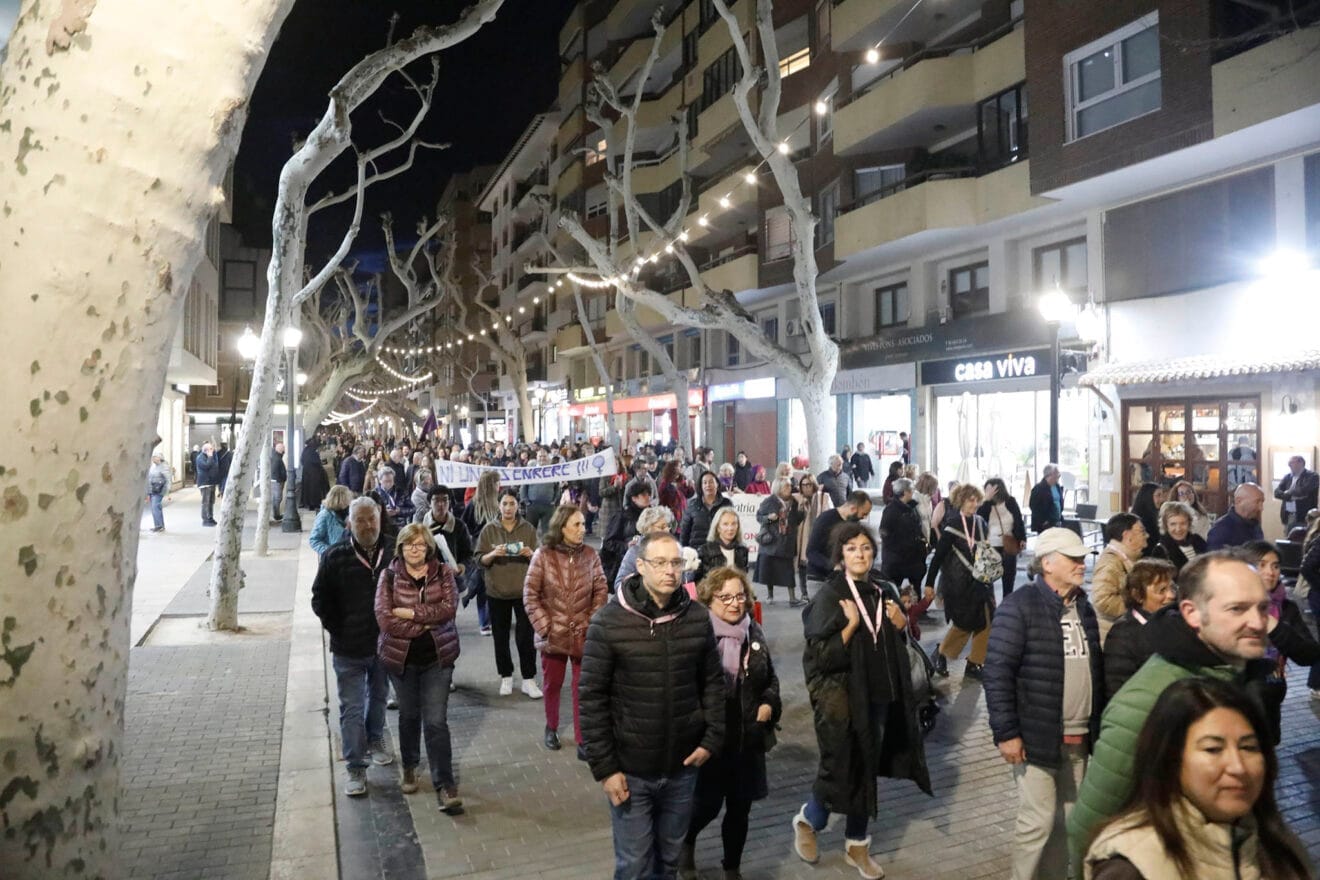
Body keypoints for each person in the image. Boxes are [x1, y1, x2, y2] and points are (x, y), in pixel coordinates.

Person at [1067, 551, 1274, 867]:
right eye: (1237, 609)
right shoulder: (1148, 699)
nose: (1258, 622)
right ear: (1191, 613)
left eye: (1262, 607)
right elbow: (1090, 825)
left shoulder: (1234, 674)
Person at [579, 532, 725, 880]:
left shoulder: (697, 618)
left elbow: (713, 683)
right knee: (634, 865)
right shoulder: (609, 622)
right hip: (631, 771)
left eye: (676, 562)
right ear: (640, 566)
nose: (670, 571)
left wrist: (711, 739)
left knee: (669, 860)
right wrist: (605, 768)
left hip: (682, 766)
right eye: (659, 563)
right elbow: (591, 699)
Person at [791, 521, 932, 879]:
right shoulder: (830, 594)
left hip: (881, 695)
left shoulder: (883, 589)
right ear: (841, 554)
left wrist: (902, 623)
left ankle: (856, 844)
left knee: (866, 766)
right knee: (839, 765)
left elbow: (903, 640)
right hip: (841, 699)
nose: (860, 554)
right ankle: (810, 819)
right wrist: (850, 625)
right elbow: (819, 657)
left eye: (865, 548)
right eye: (852, 548)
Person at [1083, 677, 1312, 880]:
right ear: (1170, 759)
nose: (1237, 767)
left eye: (1248, 747)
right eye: (1213, 749)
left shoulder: (1278, 845)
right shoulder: (1132, 864)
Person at [984, 527, 1105, 880]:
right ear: (1048, 563)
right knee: (1037, 821)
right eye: (1074, 559)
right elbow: (998, 673)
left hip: (1078, 736)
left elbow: (1095, 668)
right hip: (1036, 738)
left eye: (1083, 558)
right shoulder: (1019, 606)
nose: (1082, 564)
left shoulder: (1083, 606)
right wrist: (1006, 732)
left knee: (1067, 820)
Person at [680, 567, 781, 880]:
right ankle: (685, 841)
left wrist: (768, 703)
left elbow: (771, 679)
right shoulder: (698, 635)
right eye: (726, 597)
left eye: (740, 596)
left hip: (747, 741)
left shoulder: (755, 631)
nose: (735, 603)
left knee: (740, 810)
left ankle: (732, 867)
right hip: (712, 740)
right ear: (710, 600)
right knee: (706, 806)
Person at [374, 524, 462, 813]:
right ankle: (410, 765)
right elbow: (386, 619)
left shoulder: (444, 573)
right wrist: (425, 623)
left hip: (438, 658)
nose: (415, 549)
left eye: (421, 544)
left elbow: (448, 610)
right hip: (402, 660)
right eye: (410, 544)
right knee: (409, 715)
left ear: (428, 548)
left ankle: (445, 783)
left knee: (436, 721)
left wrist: (411, 614)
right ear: (400, 548)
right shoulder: (388, 576)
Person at [311, 498, 396, 796]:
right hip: (349, 648)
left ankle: (375, 738)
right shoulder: (335, 556)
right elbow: (319, 599)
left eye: (371, 518)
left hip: (385, 645)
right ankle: (356, 767)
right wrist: (339, 629)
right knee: (351, 707)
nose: (367, 525)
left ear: (379, 518)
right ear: (349, 523)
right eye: (360, 520)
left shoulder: (393, 550)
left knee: (379, 697)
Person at [524, 504, 609, 758]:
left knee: (582, 688)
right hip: (553, 634)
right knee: (552, 684)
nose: (583, 529)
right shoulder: (543, 555)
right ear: (562, 527)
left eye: (584, 524)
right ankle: (551, 727)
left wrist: (592, 622)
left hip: (584, 633)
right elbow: (530, 594)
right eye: (577, 524)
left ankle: (583, 739)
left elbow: (601, 590)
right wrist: (545, 627)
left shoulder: (591, 556)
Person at [1237, 540, 1320, 743]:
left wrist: (1274, 627)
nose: (1270, 572)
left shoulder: (1286, 608)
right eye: (1261, 565)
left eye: (1275, 566)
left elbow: (1308, 653)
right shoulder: (1230, 606)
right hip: (1233, 699)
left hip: (1270, 694)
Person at [477, 489, 542, 699]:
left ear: (517, 506)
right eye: (504, 504)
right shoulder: (489, 530)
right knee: (500, 637)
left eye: (511, 504)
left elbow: (540, 557)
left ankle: (529, 679)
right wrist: (493, 554)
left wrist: (531, 554)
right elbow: (479, 559)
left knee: (525, 637)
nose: (508, 508)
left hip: (524, 591)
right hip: (497, 592)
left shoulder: (528, 529)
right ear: (499, 506)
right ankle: (506, 676)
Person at [927, 484, 994, 678]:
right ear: (961, 502)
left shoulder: (981, 523)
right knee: (965, 622)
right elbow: (938, 557)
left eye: (976, 500)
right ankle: (940, 653)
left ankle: (975, 661)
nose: (974, 504)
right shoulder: (953, 524)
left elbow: (985, 552)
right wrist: (930, 584)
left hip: (981, 582)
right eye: (969, 500)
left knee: (987, 621)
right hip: (959, 584)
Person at [1101, 559, 1177, 698]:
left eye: (1172, 588)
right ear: (1138, 595)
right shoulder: (1123, 634)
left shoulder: (1174, 624)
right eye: (1162, 590)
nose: (1171, 595)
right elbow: (1118, 690)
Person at [1091, 513, 1147, 643]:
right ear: (1127, 536)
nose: (1147, 536)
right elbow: (1103, 601)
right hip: (1113, 636)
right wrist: (1140, 606)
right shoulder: (1111, 562)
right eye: (1142, 532)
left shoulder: (1127, 559)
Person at [805, 491, 873, 598]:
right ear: (853, 509)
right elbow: (811, 552)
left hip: (842, 580)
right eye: (863, 514)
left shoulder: (854, 524)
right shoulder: (825, 520)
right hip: (819, 579)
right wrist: (833, 565)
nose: (864, 518)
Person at [460, 470, 500, 636]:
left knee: (492, 584)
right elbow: (463, 525)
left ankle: (487, 618)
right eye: (497, 483)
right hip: (481, 548)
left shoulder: (497, 503)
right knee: (485, 585)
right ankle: (484, 621)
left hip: (495, 547)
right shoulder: (474, 504)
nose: (499, 486)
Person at [755, 477, 804, 605]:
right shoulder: (770, 501)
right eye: (786, 486)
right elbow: (759, 517)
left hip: (787, 542)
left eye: (789, 486)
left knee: (789, 572)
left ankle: (792, 598)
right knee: (769, 571)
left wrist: (801, 510)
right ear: (778, 489)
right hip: (772, 542)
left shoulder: (794, 502)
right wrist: (770, 519)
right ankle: (770, 596)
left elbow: (797, 520)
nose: (789, 488)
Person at [979, 477, 1028, 598]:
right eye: (986, 490)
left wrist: (1022, 538)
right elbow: (979, 517)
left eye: (990, 489)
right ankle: (990, 606)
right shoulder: (985, 505)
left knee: (1009, 578)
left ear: (997, 489)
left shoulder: (1010, 502)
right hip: (991, 545)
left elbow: (1018, 521)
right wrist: (986, 499)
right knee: (987, 580)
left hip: (1009, 544)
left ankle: (1007, 604)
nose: (987, 492)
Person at [878, 477, 926, 591]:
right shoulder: (891, 510)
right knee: (894, 590)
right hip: (896, 559)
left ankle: (917, 608)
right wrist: (901, 546)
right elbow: (884, 532)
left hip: (914, 558)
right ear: (905, 492)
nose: (913, 492)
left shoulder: (912, 507)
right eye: (912, 490)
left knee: (916, 588)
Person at [602, 482, 653, 587]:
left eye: (649, 494)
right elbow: (608, 542)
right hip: (624, 565)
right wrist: (626, 546)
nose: (648, 497)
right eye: (643, 495)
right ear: (634, 498)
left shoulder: (652, 516)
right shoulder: (622, 516)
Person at [615, 506, 677, 590]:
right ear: (648, 528)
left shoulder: (674, 550)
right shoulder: (635, 551)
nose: (667, 531)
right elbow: (619, 584)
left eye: (668, 526)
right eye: (661, 527)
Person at [416, 486, 473, 577]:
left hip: (454, 579)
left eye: (445, 500)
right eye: (436, 500)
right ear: (429, 503)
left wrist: (462, 567)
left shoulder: (459, 526)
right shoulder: (420, 526)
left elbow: (469, 554)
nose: (441, 504)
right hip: (428, 578)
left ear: (449, 502)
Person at [795, 474, 832, 602]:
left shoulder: (823, 497)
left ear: (814, 484)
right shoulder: (798, 499)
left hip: (819, 537)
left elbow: (828, 515)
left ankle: (820, 593)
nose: (806, 488)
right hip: (802, 537)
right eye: (803, 485)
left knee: (817, 563)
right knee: (802, 565)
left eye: (808, 484)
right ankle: (804, 593)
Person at [697, 507, 750, 586]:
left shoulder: (743, 550)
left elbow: (744, 581)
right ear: (718, 527)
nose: (730, 528)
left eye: (734, 524)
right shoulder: (704, 551)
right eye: (725, 524)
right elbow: (698, 582)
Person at [680, 471, 732, 550]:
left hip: (720, 553)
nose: (708, 485)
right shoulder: (692, 505)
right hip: (697, 553)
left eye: (711, 482)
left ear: (717, 484)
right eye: (704, 482)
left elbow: (732, 529)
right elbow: (684, 533)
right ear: (701, 486)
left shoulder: (726, 504)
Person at [1151, 501, 1207, 574]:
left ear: (1189, 523)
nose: (1178, 529)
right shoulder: (1160, 549)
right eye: (1173, 524)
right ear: (1166, 525)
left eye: (1183, 523)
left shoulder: (1198, 540)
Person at [1205, 483, 1265, 550]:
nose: (1261, 508)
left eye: (1262, 502)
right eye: (1257, 502)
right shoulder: (1220, 529)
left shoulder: (1255, 525)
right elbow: (1215, 558)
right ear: (1239, 501)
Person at [1273, 455, 1319, 530]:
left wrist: (1288, 492)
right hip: (1288, 515)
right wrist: (1289, 496)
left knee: (1303, 538)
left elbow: (1303, 491)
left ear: (1301, 463)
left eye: (1292, 463)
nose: (1289, 465)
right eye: (1289, 463)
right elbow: (1277, 492)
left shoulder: (1312, 476)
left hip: (1305, 516)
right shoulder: (1287, 477)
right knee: (1289, 538)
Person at [309, 484, 354, 558]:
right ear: (341, 500)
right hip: (332, 559)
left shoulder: (347, 513)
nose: (350, 502)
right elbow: (314, 540)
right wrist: (331, 552)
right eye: (348, 499)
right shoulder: (324, 515)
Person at [522, 451, 559, 537]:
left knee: (548, 531)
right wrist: (526, 501)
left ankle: (546, 549)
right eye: (540, 456)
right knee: (530, 530)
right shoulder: (530, 471)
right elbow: (523, 486)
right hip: (532, 505)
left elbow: (557, 488)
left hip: (548, 506)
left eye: (544, 456)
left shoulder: (553, 471)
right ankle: (530, 549)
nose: (542, 458)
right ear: (536, 457)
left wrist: (554, 500)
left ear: (548, 458)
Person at [1129, 483, 1165, 558]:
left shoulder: (1155, 514)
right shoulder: (1140, 521)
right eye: (1158, 495)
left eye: (1162, 495)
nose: (1162, 499)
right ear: (1148, 497)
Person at [1028, 464, 1064, 533]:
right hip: (1045, 525)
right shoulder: (1038, 488)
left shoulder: (1057, 486)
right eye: (1057, 475)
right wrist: (1044, 522)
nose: (1058, 477)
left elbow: (1060, 502)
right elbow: (1033, 506)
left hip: (1057, 522)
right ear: (1050, 475)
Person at [657, 459, 691, 526]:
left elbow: (688, 494)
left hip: (683, 512)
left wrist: (689, 486)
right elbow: (662, 501)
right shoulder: (665, 484)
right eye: (679, 466)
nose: (681, 468)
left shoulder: (681, 480)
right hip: (671, 515)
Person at [300, 435, 329, 511]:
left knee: (307, 489)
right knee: (314, 489)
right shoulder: (312, 452)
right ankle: (314, 503)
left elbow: (302, 461)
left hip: (306, 473)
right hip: (314, 474)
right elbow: (317, 462)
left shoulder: (305, 450)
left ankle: (308, 503)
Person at [195, 441, 219, 526]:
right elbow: (206, 466)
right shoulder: (200, 458)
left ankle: (210, 518)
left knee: (211, 502)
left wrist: (213, 455)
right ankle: (205, 520)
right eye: (211, 449)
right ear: (206, 450)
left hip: (211, 482)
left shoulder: (211, 456)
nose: (213, 450)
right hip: (205, 483)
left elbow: (216, 465)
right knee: (206, 502)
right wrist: (210, 457)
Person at [145, 453, 171, 533]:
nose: (153, 459)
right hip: (152, 490)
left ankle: (159, 526)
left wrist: (167, 492)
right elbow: (149, 478)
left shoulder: (164, 467)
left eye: (154, 457)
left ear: (159, 458)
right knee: (154, 508)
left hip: (159, 490)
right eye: (152, 457)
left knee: (155, 507)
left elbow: (168, 479)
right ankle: (158, 525)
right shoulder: (153, 466)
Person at [269, 441, 288, 523]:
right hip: (277, 481)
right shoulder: (277, 459)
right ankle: (276, 515)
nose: (284, 451)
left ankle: (276, 514)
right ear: (281, 451)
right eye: (283, 450)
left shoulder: (274, 456)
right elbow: (277, 471)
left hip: (276, 480)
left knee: (276, 498)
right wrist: (281, 479)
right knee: (277, 498)